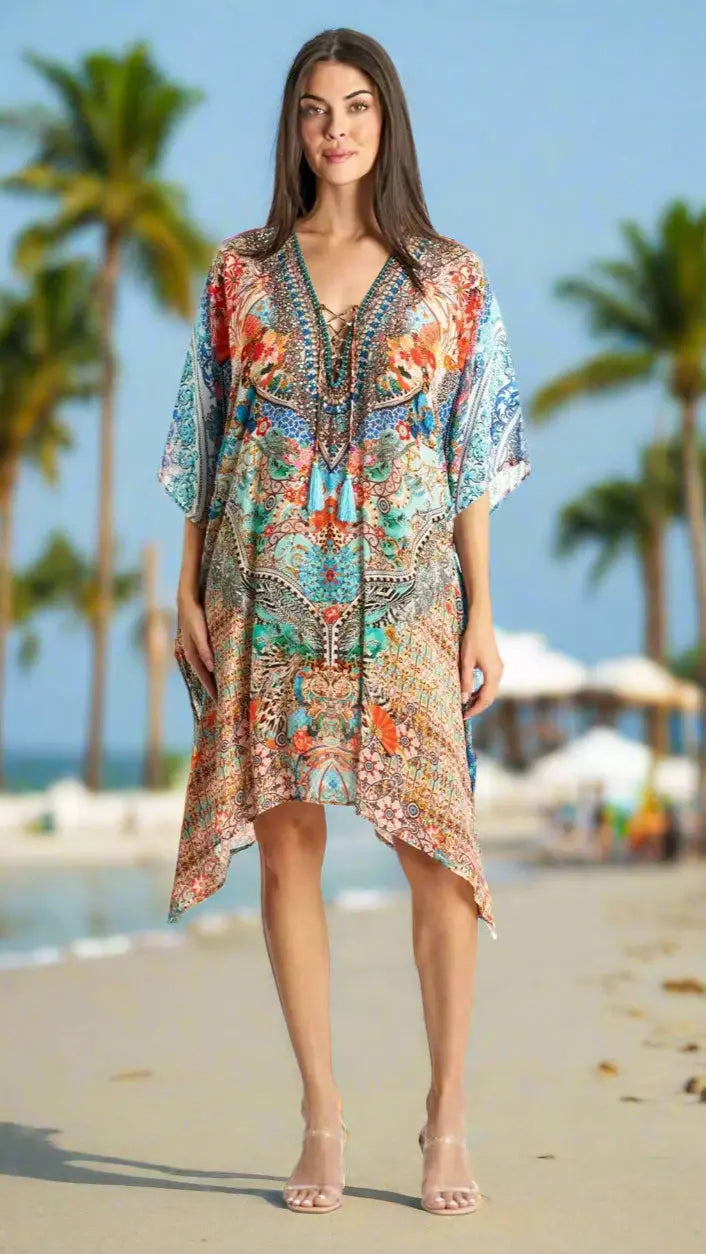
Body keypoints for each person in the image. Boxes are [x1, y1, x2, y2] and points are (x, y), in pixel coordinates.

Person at [157, 27, 531, 1217]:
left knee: (435, 854)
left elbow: (471, 454)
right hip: (260, 582)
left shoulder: (449, 276)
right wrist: (185, 589)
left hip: (410, 592)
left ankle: (447, 1113)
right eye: (316, 109)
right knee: (288, 849)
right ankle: (320, 1115)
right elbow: (205, 440)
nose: (336, 129)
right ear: (293, 126)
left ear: (387, 120)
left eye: (357, 106)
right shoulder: (239, 271)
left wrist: (481, 611)